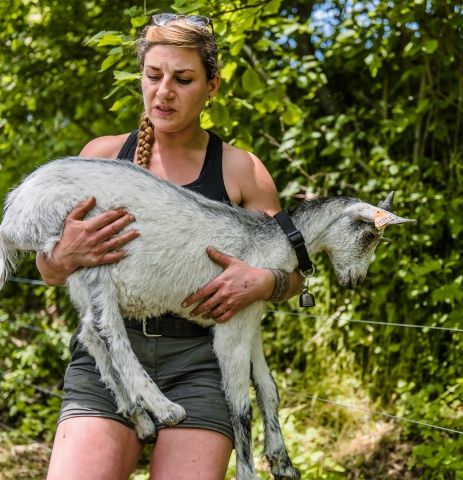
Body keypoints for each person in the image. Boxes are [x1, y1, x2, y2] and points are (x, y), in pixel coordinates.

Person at [39, 14, 303, 480]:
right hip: (108, 357)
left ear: (212, 86)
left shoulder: (242, 171)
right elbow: (49, 271)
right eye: (153, 76)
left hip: (203, 365)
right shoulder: (100, 157)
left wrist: (265, 281)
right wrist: (62, 256)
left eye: (183, 79)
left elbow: (294, 275)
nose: (164, 92)